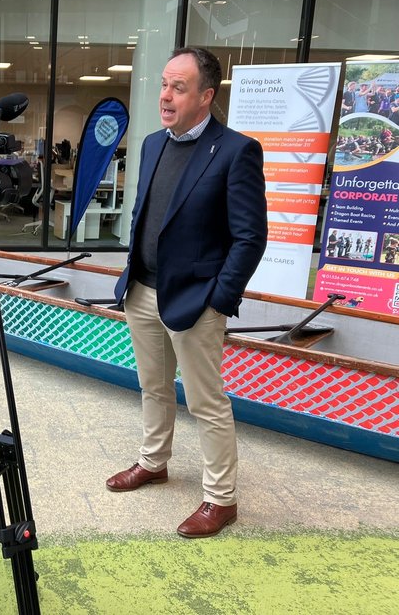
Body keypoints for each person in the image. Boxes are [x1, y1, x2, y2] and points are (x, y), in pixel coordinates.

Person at [106, 47, 267, 539]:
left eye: (179, 87)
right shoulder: (154, 143)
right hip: (143, 291)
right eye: (164, 84)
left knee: (206, 403)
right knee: (153, 388)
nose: (165, 95)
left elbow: (250, 236)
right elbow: (143, 215)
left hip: (197, 302)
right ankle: (153, 462)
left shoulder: (237, 150)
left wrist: (220, 299)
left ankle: (221, 499)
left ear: (206, 96)